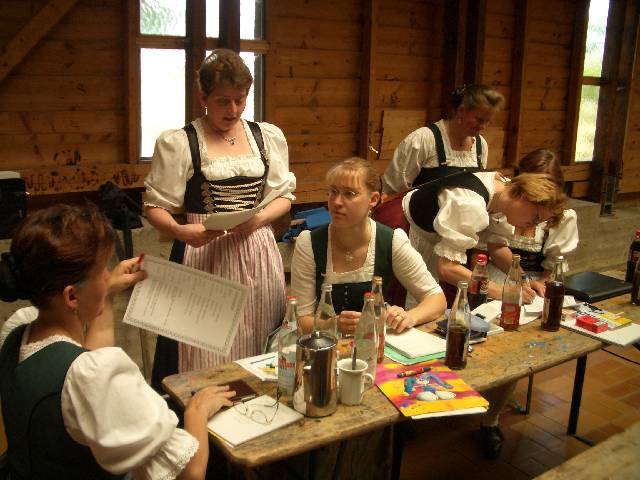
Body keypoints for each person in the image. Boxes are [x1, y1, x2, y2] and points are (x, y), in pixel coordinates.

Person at [0, 204, 236, 479]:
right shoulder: (89, 376)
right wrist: (196, 411)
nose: (107, 275)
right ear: (71, 296)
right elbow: (190, 472)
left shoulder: (17, 332)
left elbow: (83, 374)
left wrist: (107, 294)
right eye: (102, 269)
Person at [144, 49, 296, 385]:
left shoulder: (265, 137)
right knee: (203, 350)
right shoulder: (181, 142)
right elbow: (155, 207)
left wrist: (258, 220)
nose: (233, 110)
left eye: (240, 100)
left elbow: (284, 197)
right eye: (223, 101)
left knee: (259, 337)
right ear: (203, 97)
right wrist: (183, 232)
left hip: (257, 249)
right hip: (203, 252)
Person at [402, 170, 566, 458]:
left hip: (436, 242)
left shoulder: (503, 196)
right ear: (522, 196)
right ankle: (406, 410)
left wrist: (523, 279)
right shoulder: (469, 202)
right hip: (411, 234)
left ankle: (454, 404)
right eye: (534, 218)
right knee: (414, 322)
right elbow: (447, 268)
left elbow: (496, 246)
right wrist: (500, 290)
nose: (532, 226)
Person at [291, 157, 446, 336]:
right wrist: (332, 324)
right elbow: (300, 321)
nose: (337, 202)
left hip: (374, 344)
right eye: (333, 192)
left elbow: (436, 299)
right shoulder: (309, 243)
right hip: (323, 346)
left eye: (349, 194)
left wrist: (409, 317)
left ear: (373, 199)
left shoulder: (391, 240)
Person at [481, 149, 579, 296]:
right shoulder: (503, 206)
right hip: (498, 276)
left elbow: (554, 264)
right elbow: (493, 248)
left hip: (536, 283)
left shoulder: (563, 217)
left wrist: (537, 285)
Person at [382, 84, 504, 194]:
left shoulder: (480, 145)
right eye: (479, 120)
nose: (483, 127)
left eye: (487, 121)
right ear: (461, 110)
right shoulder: (423, 140)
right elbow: (391, 192)